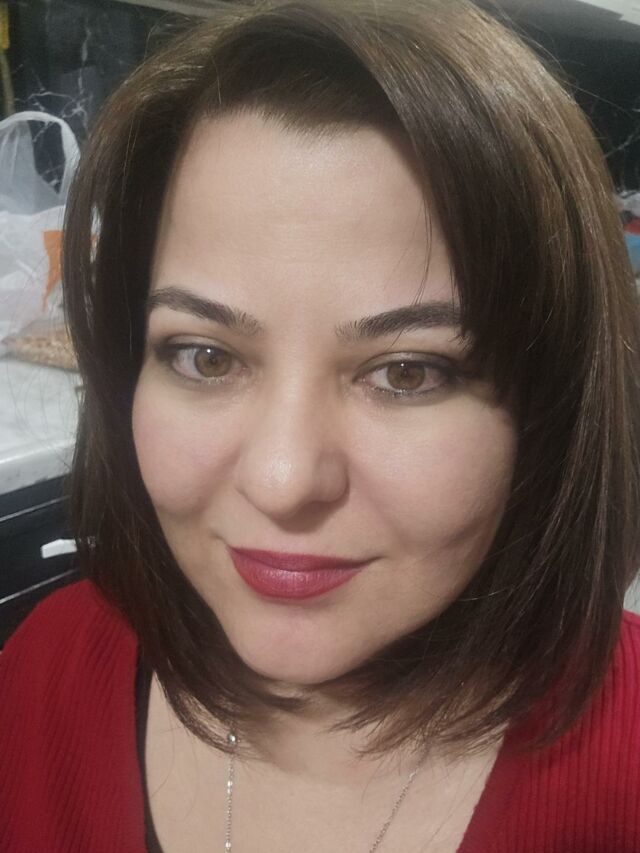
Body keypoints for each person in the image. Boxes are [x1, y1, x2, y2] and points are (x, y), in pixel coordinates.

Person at [2, 0, 640, 850]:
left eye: (407, 372)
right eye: (205, 356)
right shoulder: (43, 673)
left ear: (549, 402)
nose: (283, 480)